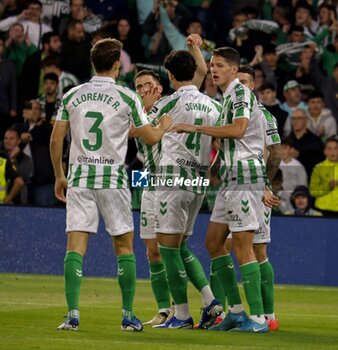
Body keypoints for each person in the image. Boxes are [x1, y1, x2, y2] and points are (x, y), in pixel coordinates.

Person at [50, 38, 172, 332]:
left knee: (75, 247)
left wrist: (59, 175)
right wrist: (164, 125)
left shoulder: (71, 95)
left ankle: (72, 315)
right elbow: (152, 138)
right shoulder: (127, 97)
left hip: (79, 179)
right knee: (124, 247)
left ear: (93, 62)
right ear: (118, 64)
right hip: (113, 181)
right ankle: (128, 315)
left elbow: (55, 140)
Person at [172, 47, 279, 333]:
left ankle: (258, 319)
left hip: (245, 177)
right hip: (230, 178)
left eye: (219, 65)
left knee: (245, 247)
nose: (214, 70)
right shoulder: (227, 97)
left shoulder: (241, 94)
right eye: (211, 65)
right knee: (212, 242)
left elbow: (239, 130)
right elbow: (231, 139)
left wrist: (195, 129)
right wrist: (214, 170)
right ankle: (235, 310)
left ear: (234, 69)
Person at [140, 48, 223, 330]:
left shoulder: (168, 102)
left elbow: (147, 132)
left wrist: (145, 110)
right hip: (199, 181)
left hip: (171, 180)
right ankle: (210, 301)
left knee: (167, 249)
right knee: (182, 245)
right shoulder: (213, 105)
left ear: (171, 75)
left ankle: (182, 314)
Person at [309, 137, 338, 217]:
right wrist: (328, 186)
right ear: (325, 151)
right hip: (322, 210)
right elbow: (313, 191)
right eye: (329, 148)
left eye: (335, 148)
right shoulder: (318, 168)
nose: (333, 152)